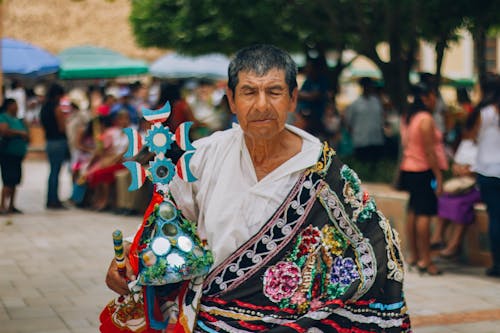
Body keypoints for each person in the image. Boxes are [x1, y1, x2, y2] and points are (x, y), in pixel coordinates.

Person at [104, 44, 411, 332]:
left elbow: (375, 246)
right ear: (231, 99)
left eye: (274, 92)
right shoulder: (204, 156)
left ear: (292, 98)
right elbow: (170, 219)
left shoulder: (324, 172)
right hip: (211, 322)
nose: (262, 105)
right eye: (249, 92)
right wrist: (132, 259)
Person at [398, 82, 449, 275]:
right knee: (424, 214)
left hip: (410, 168)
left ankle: (414, 255)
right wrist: (438, 176)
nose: (436, 100)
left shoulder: (409, 117)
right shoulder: (426, 119)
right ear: (426, 97)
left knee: (413, 210)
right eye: (434, 95)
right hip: (423, 170)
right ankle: (426, 259)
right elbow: (429, 151)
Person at [430, 120, 481, 258]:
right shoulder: (466, 144)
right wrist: (460, 169)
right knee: (444, 199)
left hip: (476, 186)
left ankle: (454, 244)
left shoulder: (488, 146)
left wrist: (470, 171)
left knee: (460, 204)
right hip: (461, 183)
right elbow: (456, 164)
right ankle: (437, 237)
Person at [469, 74, 500, 277]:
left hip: (487, 171)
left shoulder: (485, 113)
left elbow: (472, 136)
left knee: (495, 218)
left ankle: (497, 263)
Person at [40, 83, 70, 209]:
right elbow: (62, 127)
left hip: (49, 141)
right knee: (56, 172)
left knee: (52, 171)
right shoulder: (57, 108)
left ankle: (51, 198)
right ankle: (53, 200)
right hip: (58, 141)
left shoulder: (44, 108)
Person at [344, 77, 385, 166]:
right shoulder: (355, 104)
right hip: (361, 141)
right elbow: (348, 122)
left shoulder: (377, 102)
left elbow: (381, 118)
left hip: (376, 139)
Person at [0, 99, 29, 214]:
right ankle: (2, 205)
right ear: (9, 106)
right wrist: (20, 133)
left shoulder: (17, 119)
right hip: (8, 154)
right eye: (15, 105)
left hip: (17, 155)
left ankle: (11, 205)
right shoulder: (3, 117)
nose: (16, 107)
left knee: (15, 180)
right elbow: (4, 131)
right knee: (8, 180)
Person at [296, 57, 330, 137]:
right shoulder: (308, 81)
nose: (307, 69)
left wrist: (305, 95)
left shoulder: (321, 81)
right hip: (306, 117)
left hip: (318, 118)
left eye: (309, 67)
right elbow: (299, 95)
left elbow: (315, 96)